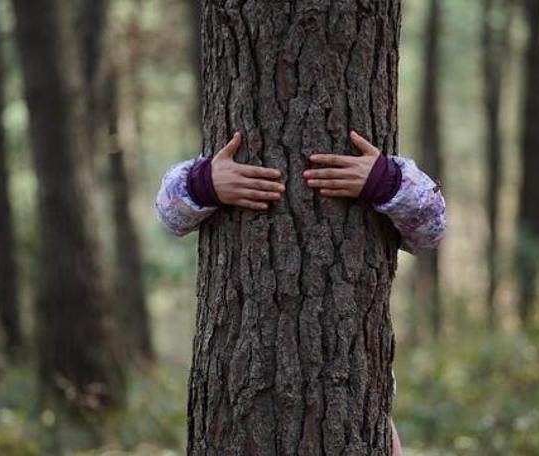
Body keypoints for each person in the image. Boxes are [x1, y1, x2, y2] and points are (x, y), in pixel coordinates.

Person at [156, 130, 447, 455]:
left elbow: (432, 229)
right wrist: (204, 183)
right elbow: (169, 216)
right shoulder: (224, 162)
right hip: (243, 397)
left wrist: (386, 181)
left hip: (352, 396)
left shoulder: (382, 171)